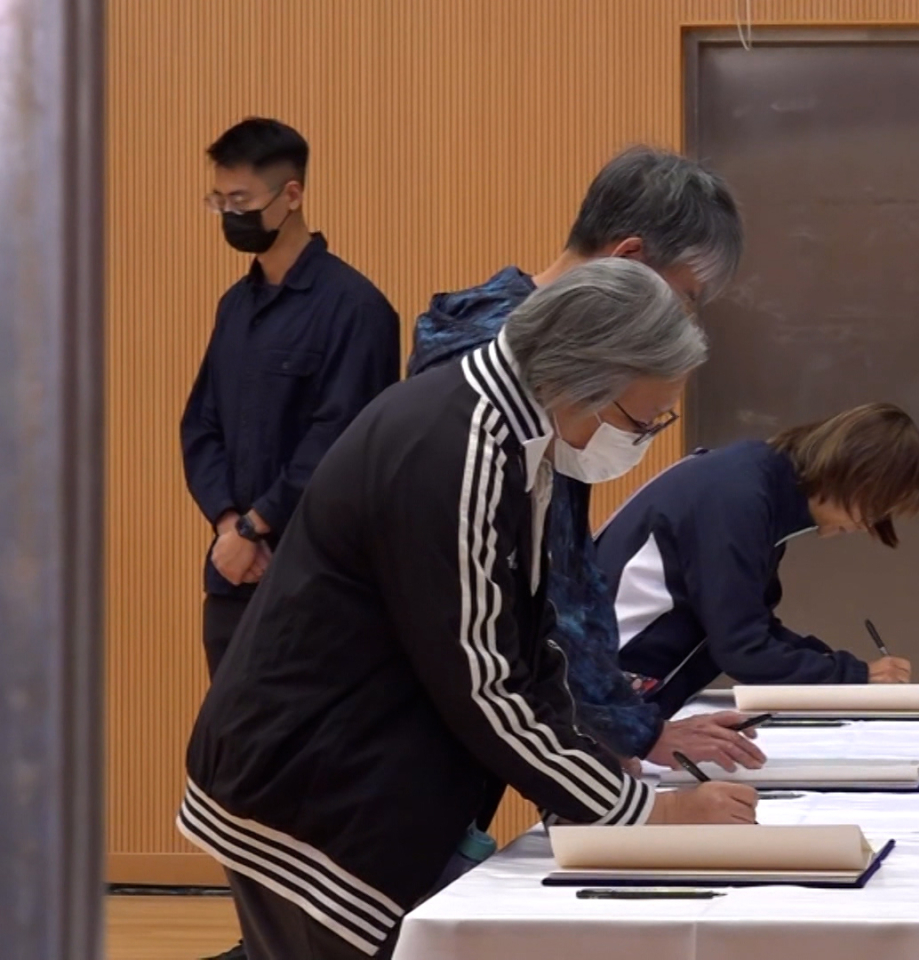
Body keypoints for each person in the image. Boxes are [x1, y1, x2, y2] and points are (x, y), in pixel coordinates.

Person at [177, 260, 758, 960]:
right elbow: (484, 685)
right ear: (585, 377)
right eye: (641, 420)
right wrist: (645, 813)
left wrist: (595, 773)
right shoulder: (464, 446)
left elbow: (531, 642)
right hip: (309, 782)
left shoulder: (510, 430)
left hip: (341, 766)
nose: (640, 439)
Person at [406, 146, 763, 775]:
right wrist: (627, 736)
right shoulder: (515, 369)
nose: (682, 322)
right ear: (629, 262)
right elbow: (547, 590)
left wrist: (626, 725)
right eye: (684, 299)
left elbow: (566, 567)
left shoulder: (512, 339)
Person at [179, 117, 401, 960]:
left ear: (292, 194)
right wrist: (227, 525)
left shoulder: (356, 309)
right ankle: (259, 940)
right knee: (235, 772)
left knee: (310, 771)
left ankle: (319, 942)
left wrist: (260, 523)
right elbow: (200, 426)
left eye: (240, 199)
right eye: (218, 200)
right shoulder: (234, 307)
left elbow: (339, 440)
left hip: (315, 587)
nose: (229, 214)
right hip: (233, 576)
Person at [594, 403, 919, 718]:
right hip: (603, 689)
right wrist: (853, 675)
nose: (864, 526)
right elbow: (743, 649)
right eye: (872, 510)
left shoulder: (755, 481)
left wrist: (839, 667)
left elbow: (752, 625)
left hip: (619, 683)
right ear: (851, 474)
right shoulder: (738, 497)